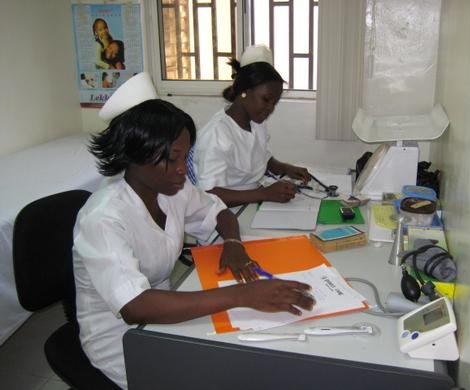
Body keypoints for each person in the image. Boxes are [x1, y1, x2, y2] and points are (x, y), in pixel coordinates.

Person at [73, 73, 315, 388]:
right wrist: (242, 294)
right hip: (122, 339)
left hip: (165, 312)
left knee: (248, 352)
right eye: (172, 159)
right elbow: (135, 306)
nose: (182, 169)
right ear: (137, 155)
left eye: (184, 157)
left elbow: (219, 211)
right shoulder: (104, 219)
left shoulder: (172, 188)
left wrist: (232, 242)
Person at [193, 45, 312, 207]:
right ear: (244, 92)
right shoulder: (217, 135)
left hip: (251, 200)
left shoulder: (255, 122)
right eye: (266, 99)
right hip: (225, 210)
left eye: (274, 102)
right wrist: (264, 194)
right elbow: (209, 194)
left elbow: (260, 157)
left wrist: (285, 168)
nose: (270, 108)